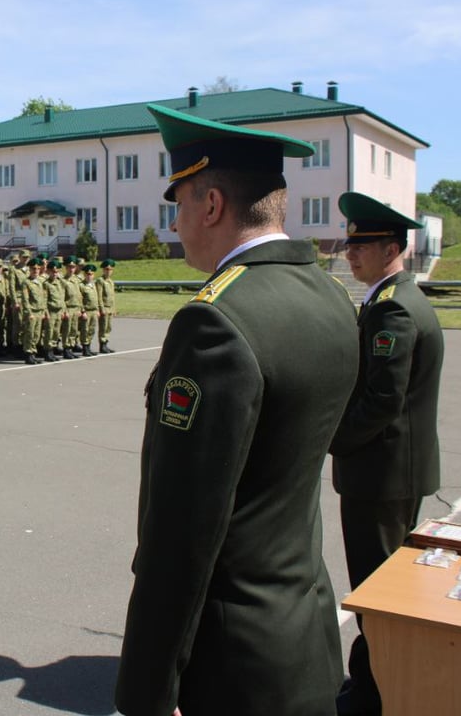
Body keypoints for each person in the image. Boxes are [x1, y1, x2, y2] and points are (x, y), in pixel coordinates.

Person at [116, 103, 359, 716]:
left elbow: (182, 530)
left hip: (231, 661)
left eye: (179, 205)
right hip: (303, 627)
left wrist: (149, 686)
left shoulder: (214, 321)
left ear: (213, 205)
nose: (176, 225)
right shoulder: (330, 297)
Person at [329, 192, 445, 716]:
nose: (350, 253)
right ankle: (374, 681)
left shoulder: (393, 306)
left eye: (363, 244)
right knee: (382, 588)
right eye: (350, 243)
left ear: (392, 247)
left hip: (380, 474)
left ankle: (372, 691)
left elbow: (381, 401)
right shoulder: (393, 297)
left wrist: (330, 439)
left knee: (375, 591)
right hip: (393, 469)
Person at [95, 259, 117, 353]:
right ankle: (102, 345)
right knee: (103, 327)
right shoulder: (100, 281)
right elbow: (99, 296)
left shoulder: (111, 281)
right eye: (106, 269)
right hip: (104, 307)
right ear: (103, 270)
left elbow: (112, 296)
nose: (108, 271)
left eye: (110, 270)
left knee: (109, 327)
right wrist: (101, 308)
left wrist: (114, 308)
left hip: (110, 308)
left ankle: (106, 343)